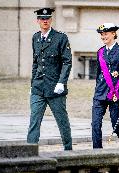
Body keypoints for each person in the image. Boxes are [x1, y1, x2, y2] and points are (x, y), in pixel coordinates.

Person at [27, 8, 73, 150]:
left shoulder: (60, 38)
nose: (44, 20)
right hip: (38, 87)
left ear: (51, 20)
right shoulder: (35, 37)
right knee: (34, 120)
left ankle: (68, 149)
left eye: (47, 18)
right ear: (38, 21)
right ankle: (30, 152)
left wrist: (61, 82)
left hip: (55, 87)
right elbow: (36, 62)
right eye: (42, 18)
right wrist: (32, 84)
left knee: (62, 120)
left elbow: (67, 62)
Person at [92, 23, 119, 149]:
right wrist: (97, 90)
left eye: (106, 34)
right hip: (100, 94)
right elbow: (99, 73)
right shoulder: (100, 52)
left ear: (113, 34)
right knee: (95, 124)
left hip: (116, 94)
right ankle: (96, 153)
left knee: (118, 125)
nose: (103, 37)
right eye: (102, 34)